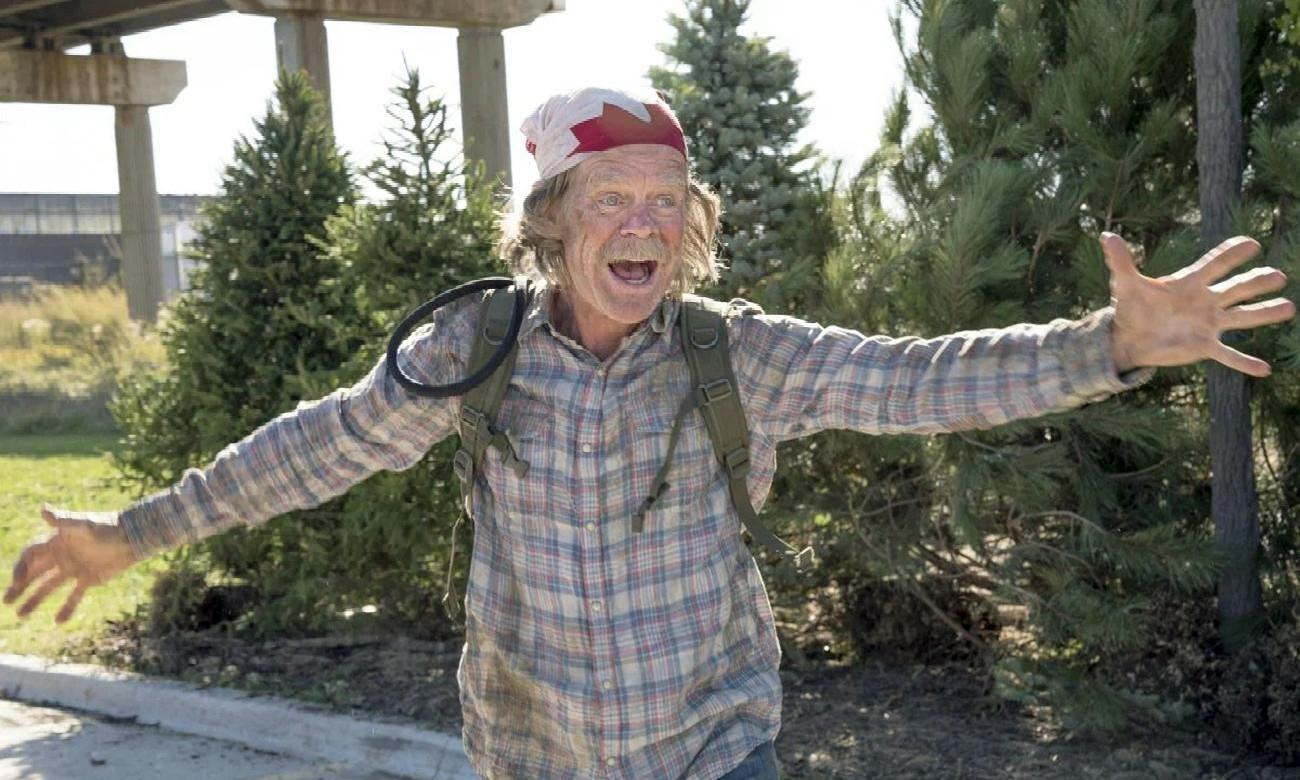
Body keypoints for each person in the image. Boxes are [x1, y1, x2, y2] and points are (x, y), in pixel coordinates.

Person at [4, 86, 1295, 780]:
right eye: (612, 197)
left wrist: (1111, 344)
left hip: (714, 753)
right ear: (551, 223)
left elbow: (919, 382)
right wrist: (138, 530)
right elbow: (319, 445)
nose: (645, 224)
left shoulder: (737, 354)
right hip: (531, 755)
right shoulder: (475, 353)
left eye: (666, 200)